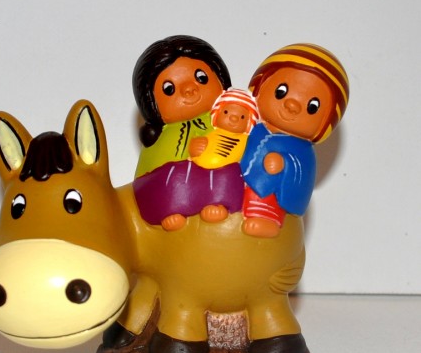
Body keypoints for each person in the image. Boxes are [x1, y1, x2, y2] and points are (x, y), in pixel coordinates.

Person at [132, 35, 245, 230]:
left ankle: (218, 202)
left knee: (226, 171)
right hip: (176, 186)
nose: (189, 89)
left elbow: (242, 145)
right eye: (169, 89)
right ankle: (170, 210)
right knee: (169, 178)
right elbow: (147, 173)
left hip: (218, 181)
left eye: (201, 78)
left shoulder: (227, 118)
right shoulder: (162, 137)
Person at [240, 42, 350, 237]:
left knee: (268, 198)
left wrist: (286, 164)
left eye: (312, 107)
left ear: (325, 124)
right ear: (259, 87)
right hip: (233, 187)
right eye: (281, 92)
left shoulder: (302, 151)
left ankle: (268, 219)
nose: (292, 105)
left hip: (267, 192)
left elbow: (301, 177)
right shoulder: (245, 124)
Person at [190, 88, 259, 222]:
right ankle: (191, 203)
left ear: (248, 123)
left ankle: (220, 204)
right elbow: (194, 150)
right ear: (217, 114)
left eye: (242, 117)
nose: (233, 118)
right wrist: (195, 149)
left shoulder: (246, 141)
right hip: (201, 171)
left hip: (226, 174)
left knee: (230, 174)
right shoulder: (210, 133)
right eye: (226, 112)